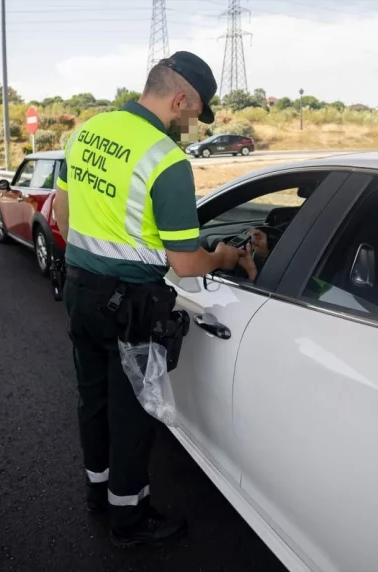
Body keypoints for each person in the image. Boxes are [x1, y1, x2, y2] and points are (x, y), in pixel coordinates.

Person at [52, 51, 251, 548]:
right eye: (194, 114)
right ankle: (129, 518)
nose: (191, 126)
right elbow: (184, 263)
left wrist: (91, 259)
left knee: (92, 399)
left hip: (79, 290)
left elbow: (62, 209)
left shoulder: (85, 132)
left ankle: (97, 492)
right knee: (134, 411)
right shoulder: (166, 160)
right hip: (132, 307)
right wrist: (224, 256)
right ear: (180, 99)